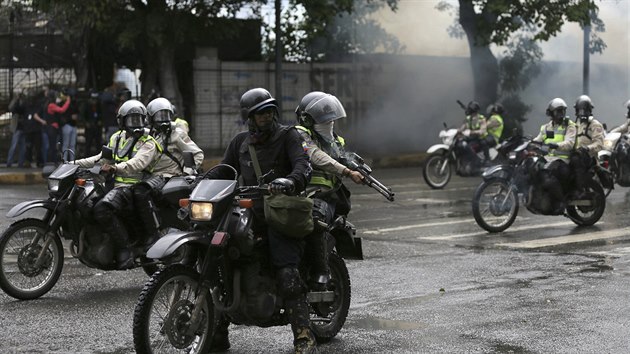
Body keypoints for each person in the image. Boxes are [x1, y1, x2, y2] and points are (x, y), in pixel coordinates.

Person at [203, 88, 315, 353]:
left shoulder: (289, 136)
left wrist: (290, 180)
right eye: (259, 113)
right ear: (249, 117)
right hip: (246, 212)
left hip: (278, 214)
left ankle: (304, 335)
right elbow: (224, 170)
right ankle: (217, 333)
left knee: (287, 272)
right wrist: (198, 181)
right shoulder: (240, 142)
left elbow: (303, 165)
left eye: (269, 111)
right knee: (220, 263)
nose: (266, 117)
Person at [74, 99, 162, 269]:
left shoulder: (148, 142)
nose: (135, 124)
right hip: (114, 186)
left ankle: (125, 249)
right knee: (87, 204)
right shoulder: (116, 138)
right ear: (121, 121)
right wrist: (75, 163)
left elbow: (138, 163)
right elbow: (100, 158)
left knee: (102, 209)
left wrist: (115, 168)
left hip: (134, 186)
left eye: (138, 119)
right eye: (131, 119)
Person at [294, 92, 363, 291]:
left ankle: (320, 272)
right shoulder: (299, 134)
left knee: (317, 218)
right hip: (300, 193)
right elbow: (316, 156)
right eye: (324, 119)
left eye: (332, 119)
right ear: (307, 119)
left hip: (326, 197)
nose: (330, 122)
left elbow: (341, 157)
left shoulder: (336, 140)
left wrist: (356, 167)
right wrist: (347, 171)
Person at [132, 97, 204, 246]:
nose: (163, 120)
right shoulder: (147, 135)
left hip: (170, 176)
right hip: (149, 175)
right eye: (159, 116)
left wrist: (188, 172)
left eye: (166, 115)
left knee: (141, 192)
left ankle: (153, 235)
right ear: (151, 118)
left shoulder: (176, 134)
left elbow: (197, 154)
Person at [532, 98, 577, 214]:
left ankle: (560, 202)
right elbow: (538, 140)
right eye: (558, 111)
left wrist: (556, 145)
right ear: (551, 113)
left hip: (563, 160)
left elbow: (570, 143)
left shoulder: (569, 126)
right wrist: (529, 144)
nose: (561, 114)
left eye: (562, 111)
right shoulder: (546, 127)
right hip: (548, 158)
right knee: (532, 170)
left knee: (548, 178)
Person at [569, 95, 605, 198]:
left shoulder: (595, 124)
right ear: (576, 111)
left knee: (575, 159)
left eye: (585, 110)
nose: (582, 113)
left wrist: (587, 148)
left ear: (590, 110)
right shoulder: (575, 125)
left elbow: (599, 144)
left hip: (589, 158)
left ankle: (580, 190)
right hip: (576, 154)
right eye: (580, 111)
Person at [41, 90, 71, 165]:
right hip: (52, 128)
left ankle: (53, 161)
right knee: (53, 146)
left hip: (52, 127)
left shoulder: (49, 103)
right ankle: (53, 162)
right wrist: (68, 101)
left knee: (54, 145)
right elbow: (62, 110)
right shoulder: (51, 105)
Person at [6, 92, 27, 168]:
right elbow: (10, 108)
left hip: (23, 128)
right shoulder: (15, 102)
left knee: (23, 148)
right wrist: (15, 99)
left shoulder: (24, 101)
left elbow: (25, 110)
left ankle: (20, 163)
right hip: (17, 128)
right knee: (13, 146)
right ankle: (9, 162)